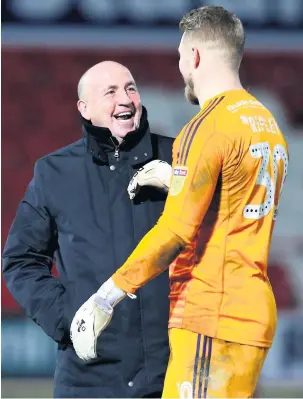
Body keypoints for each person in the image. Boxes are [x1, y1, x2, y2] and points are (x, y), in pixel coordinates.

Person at [70, 7, 290, 399]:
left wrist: (106, 296)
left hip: (212, 311)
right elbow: (235, 203)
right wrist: (176, 180)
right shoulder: (266, 123)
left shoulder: (206, 126)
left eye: (179, 56)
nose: (180, 67)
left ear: (195, 56)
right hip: (251, 310)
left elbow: (175, 232)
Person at [2, 61, 174, 398]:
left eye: (130, 88)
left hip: (171, 375)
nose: (125, 99)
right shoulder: (54, 172)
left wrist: (184, 184)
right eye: (110, 92)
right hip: (88, 382)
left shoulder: (178, 157)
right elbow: (20, 260)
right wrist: (67, 318)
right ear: (85, 108)